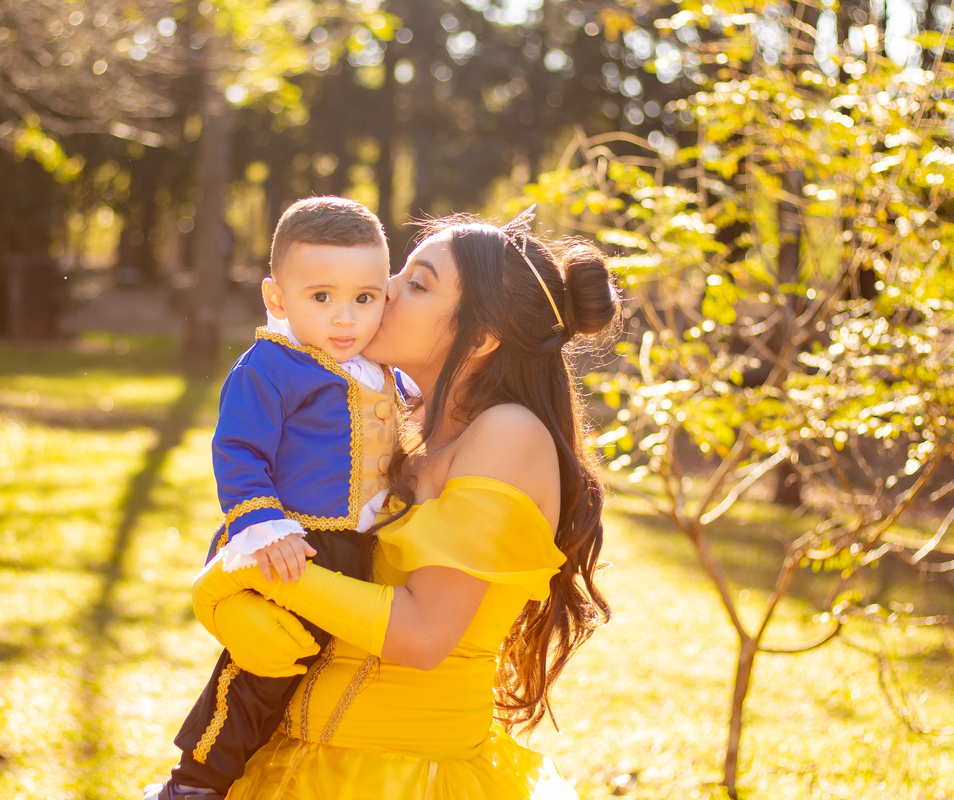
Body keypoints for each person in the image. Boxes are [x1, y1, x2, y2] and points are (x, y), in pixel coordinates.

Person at [191, 208, 619, 798]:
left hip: (405, 776)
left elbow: (423, 635)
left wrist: (249, 571)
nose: (382, 291)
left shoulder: (509, 434)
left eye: (415, 284)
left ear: (481, 337)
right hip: (296, 760)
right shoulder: (401, 425)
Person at [148, 197, 412, 800]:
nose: (345, 318)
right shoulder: (270, 365)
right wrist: (263, 524)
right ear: (277, 299)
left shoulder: (380, 368)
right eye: (321, 298)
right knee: (264, 665)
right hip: (292, 545)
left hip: (359, 550)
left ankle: (269, 774)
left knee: (321, 676)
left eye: (364, 299)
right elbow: (239, 450)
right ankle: (195, 781)